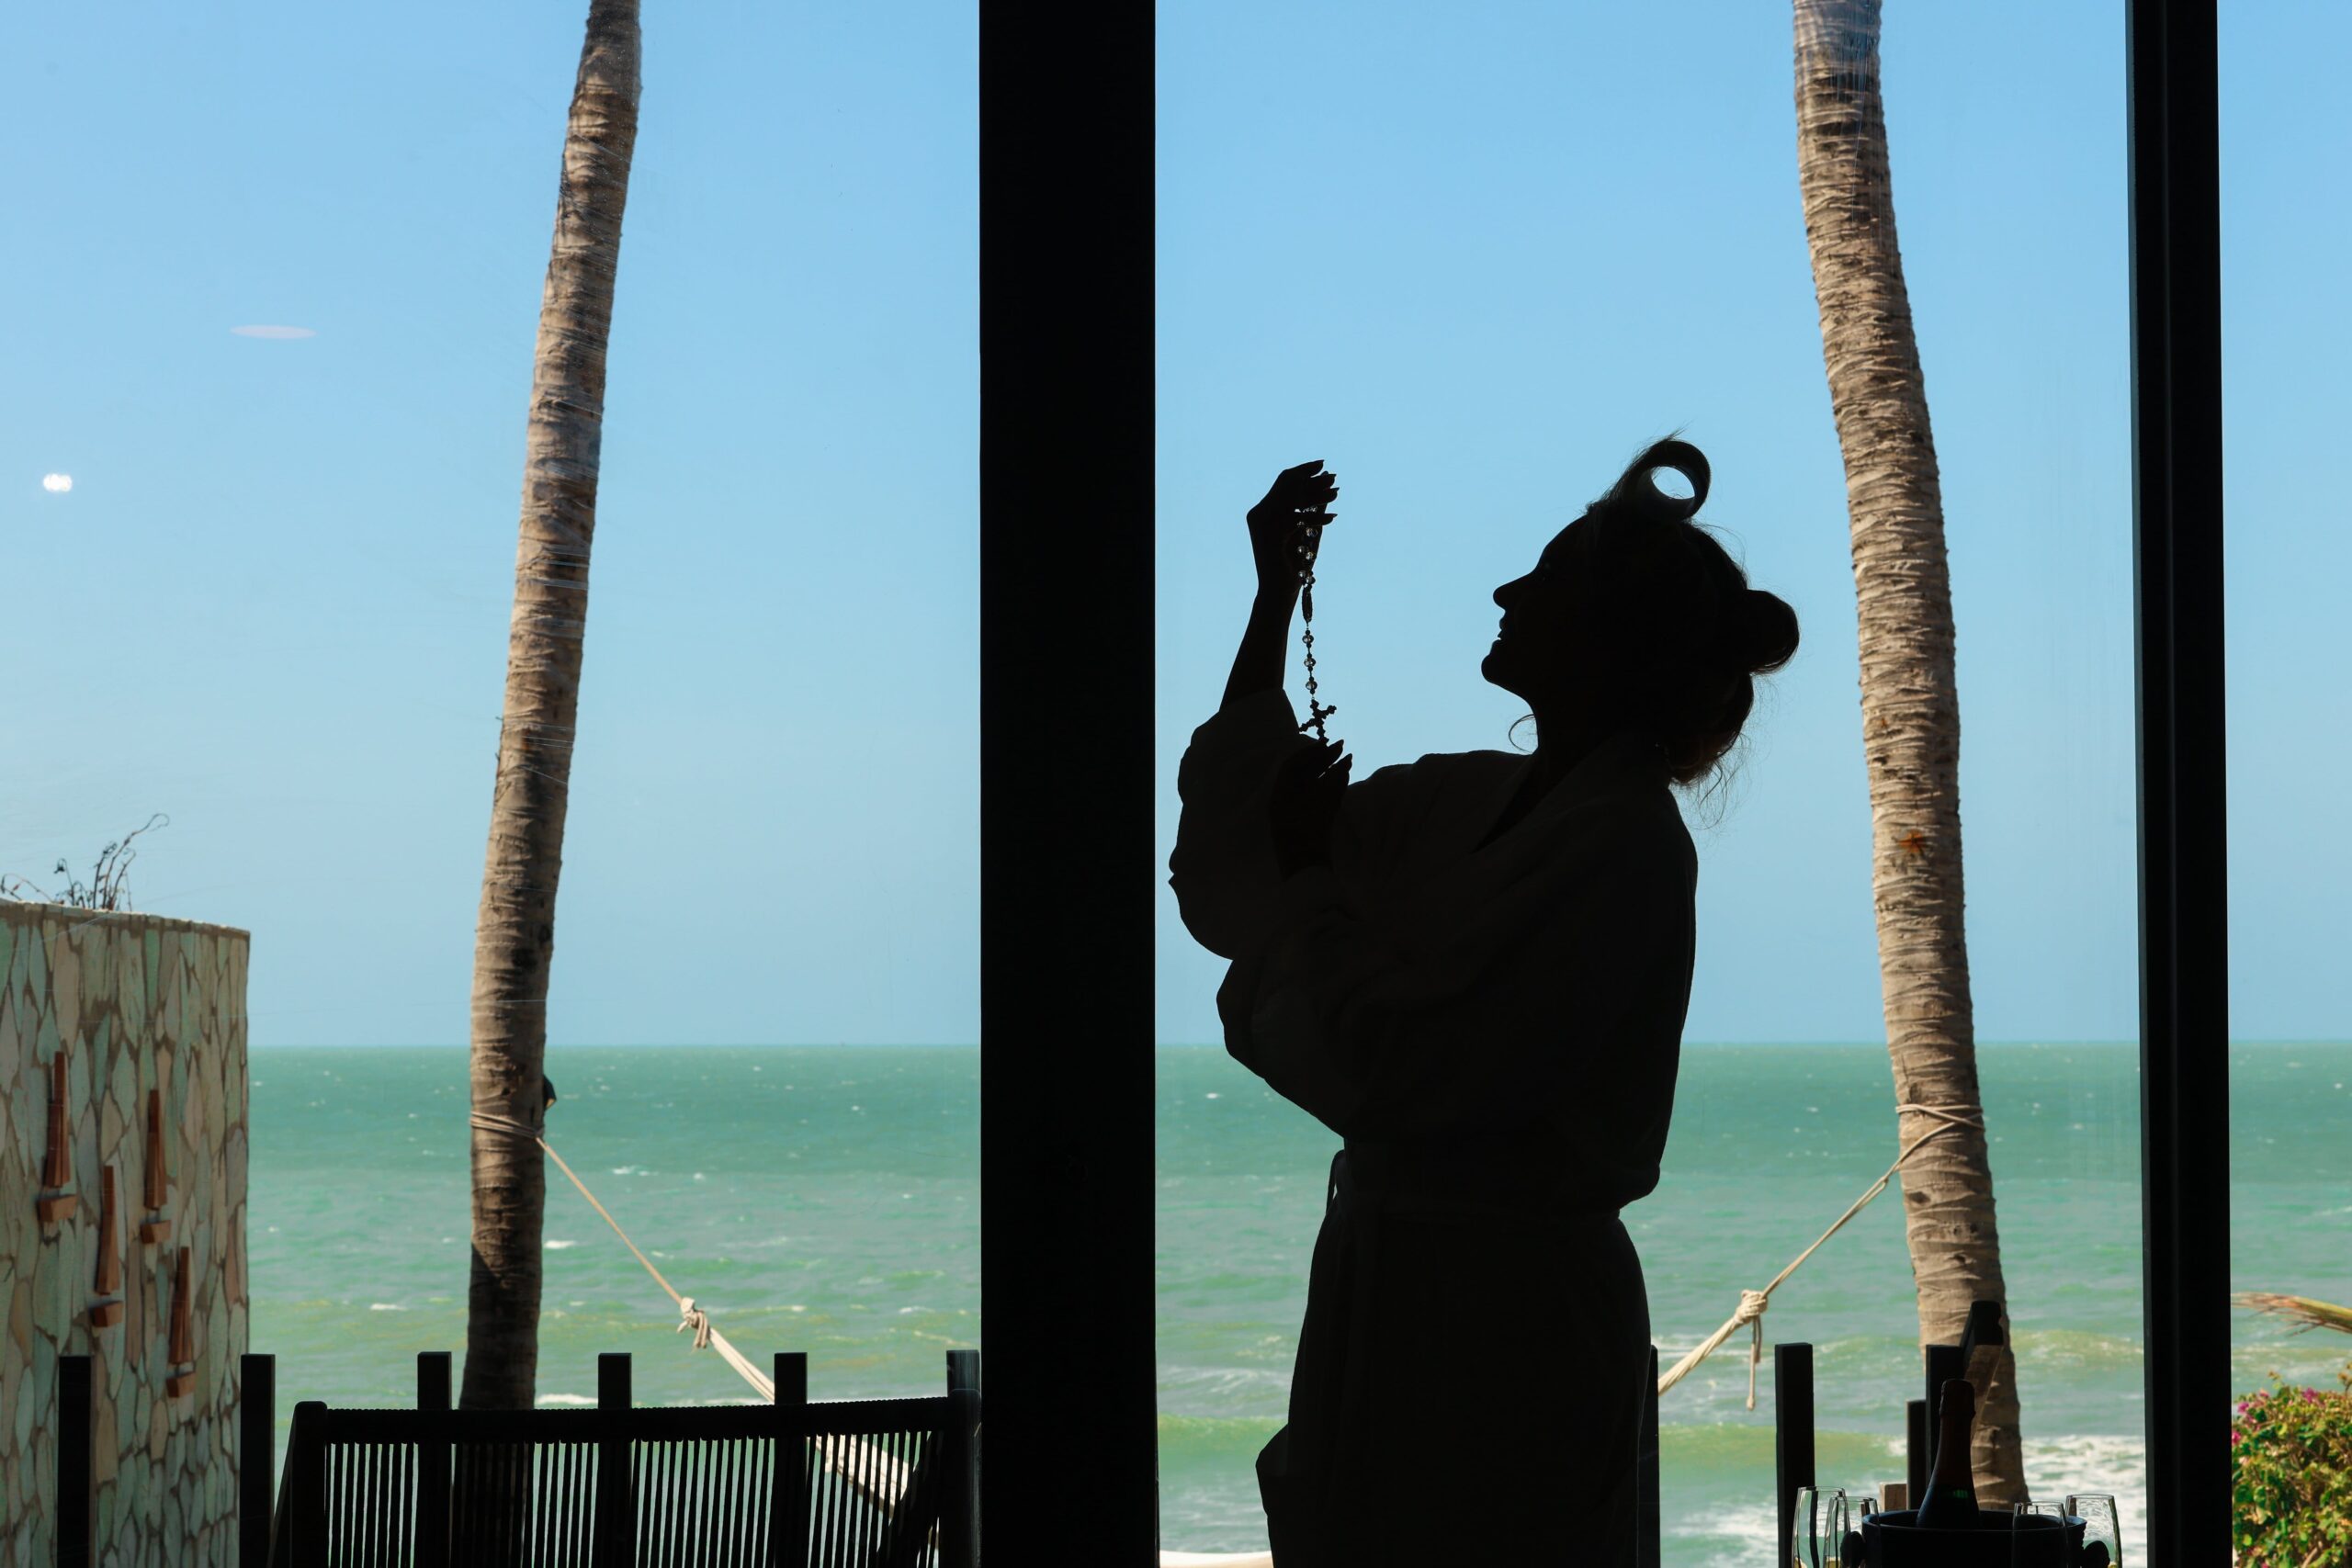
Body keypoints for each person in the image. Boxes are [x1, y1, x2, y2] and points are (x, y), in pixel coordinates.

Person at [1169, 438, 1800, 1565]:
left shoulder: (1624, 851)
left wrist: (1312, 879)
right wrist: (1274, 597)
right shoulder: (1465, 799)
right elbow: (1238, 865)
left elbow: (1405, 1068)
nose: (1509, 592)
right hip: (1403, 1307)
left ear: (1606, 639)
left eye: (1544, 580)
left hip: (1508, 1335)